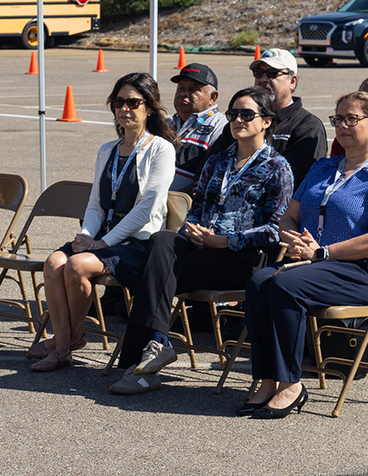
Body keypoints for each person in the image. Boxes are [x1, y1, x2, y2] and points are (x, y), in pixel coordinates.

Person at [237, 90, 368, 419]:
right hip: (311, 264)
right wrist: (292, 236)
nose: (343, 126)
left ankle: (290, 383)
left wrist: (323, 252)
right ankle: (267, 378)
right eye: (338, 119)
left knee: (283, 286)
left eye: (352, 119)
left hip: (363, 273)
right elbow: (289, 215)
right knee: (260, 281)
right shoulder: (322, 168)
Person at [109, 85, 293, 395]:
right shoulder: (217, 161)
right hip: (200, 249)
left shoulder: (277, 168)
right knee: (162, 241)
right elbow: (197, 209)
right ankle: (156, 347)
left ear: (267, 121)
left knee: (157, 270)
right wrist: (191, 229)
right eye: (233, 114)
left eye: (247, 115)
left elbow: (276, 229)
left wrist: (227, 241)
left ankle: (140, 357)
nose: (237, 120)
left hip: (241, 258)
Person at [31, 73, 176, 373]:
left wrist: (101, 244)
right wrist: (85, 235)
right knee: (54, 261)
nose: (125, 108)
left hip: (137, 243)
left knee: (77, 266)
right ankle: (68, 341)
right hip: (100, 240)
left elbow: (146, 210)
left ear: (149, 107)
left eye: (133, 102)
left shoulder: (161, 149)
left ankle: (64, 344)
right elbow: (96, 204)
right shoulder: (107, 150)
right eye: (119, 102)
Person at [249, 49, 327, 187]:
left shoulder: (308, 127)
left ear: (292, 81)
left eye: (272, 73)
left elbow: (290, 180)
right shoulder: (242, 118)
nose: (262, 79)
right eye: (258, 73)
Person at [168, 61, 229, 192]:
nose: (184, 93)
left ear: (213, 97)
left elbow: (211, 177)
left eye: (193, 89)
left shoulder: (221, 127)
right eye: (181, 88)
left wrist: (175, 198)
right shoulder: (167, 124)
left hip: (186, 206)